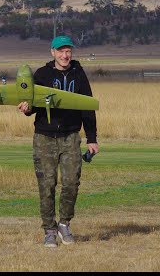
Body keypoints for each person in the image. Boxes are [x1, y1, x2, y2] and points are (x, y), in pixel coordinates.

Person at [18, 35, 99, 247]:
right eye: (61, 51)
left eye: (68, 51)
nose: (65, 55)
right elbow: (32, 105)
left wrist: (92, 138)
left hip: (71, 137)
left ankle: (64, 223)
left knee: (71, 182)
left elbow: (87, 106)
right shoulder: (42, 74)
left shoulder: (79, 74)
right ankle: (49, 230)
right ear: (52, 52)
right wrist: (26, 109)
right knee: (47, 185)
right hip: (44, 137)